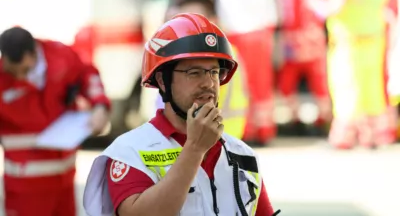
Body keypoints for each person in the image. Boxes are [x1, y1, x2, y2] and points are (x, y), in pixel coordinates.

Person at [83, 13, 278, 216]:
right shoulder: (128, 152)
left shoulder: (243, 155)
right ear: (162, 80)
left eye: (213, 72)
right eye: (194, 72)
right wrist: (194, 150)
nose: (208, 83)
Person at [0, 26, 111, 216]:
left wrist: (100, 107)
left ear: (33, 53)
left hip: (64, 182)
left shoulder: (60, 57)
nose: (20, 77)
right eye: (14, 71)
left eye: (25, 70)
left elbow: (87, 74)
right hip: (24, 189)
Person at [308, 0, 398, 148]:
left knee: (346, 88)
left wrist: (316, 6)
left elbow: (334, 6)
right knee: (372, 90)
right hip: (375, 39)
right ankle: (374, 134)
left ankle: (344, 136)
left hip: (349, 42)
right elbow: (390, 6)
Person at [191, 0, 279, 145]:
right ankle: (264, 129)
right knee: (261, 85)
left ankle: (248, 130)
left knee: (242, 85)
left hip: (240, 32)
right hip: (261, 30)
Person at [155, 0, 249, 139]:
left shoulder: (219, 58)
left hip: (213, 137)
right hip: (219, 135)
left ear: (213, 20)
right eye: (183, 21)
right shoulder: (229, 54)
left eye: (196, 20)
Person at [278, 0, 331, 131]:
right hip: (293, 51)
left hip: (311, 50)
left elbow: (322, 11)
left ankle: (324, 121)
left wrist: (309, 37)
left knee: (320, 86)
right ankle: (295, 121)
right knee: (286, 84)